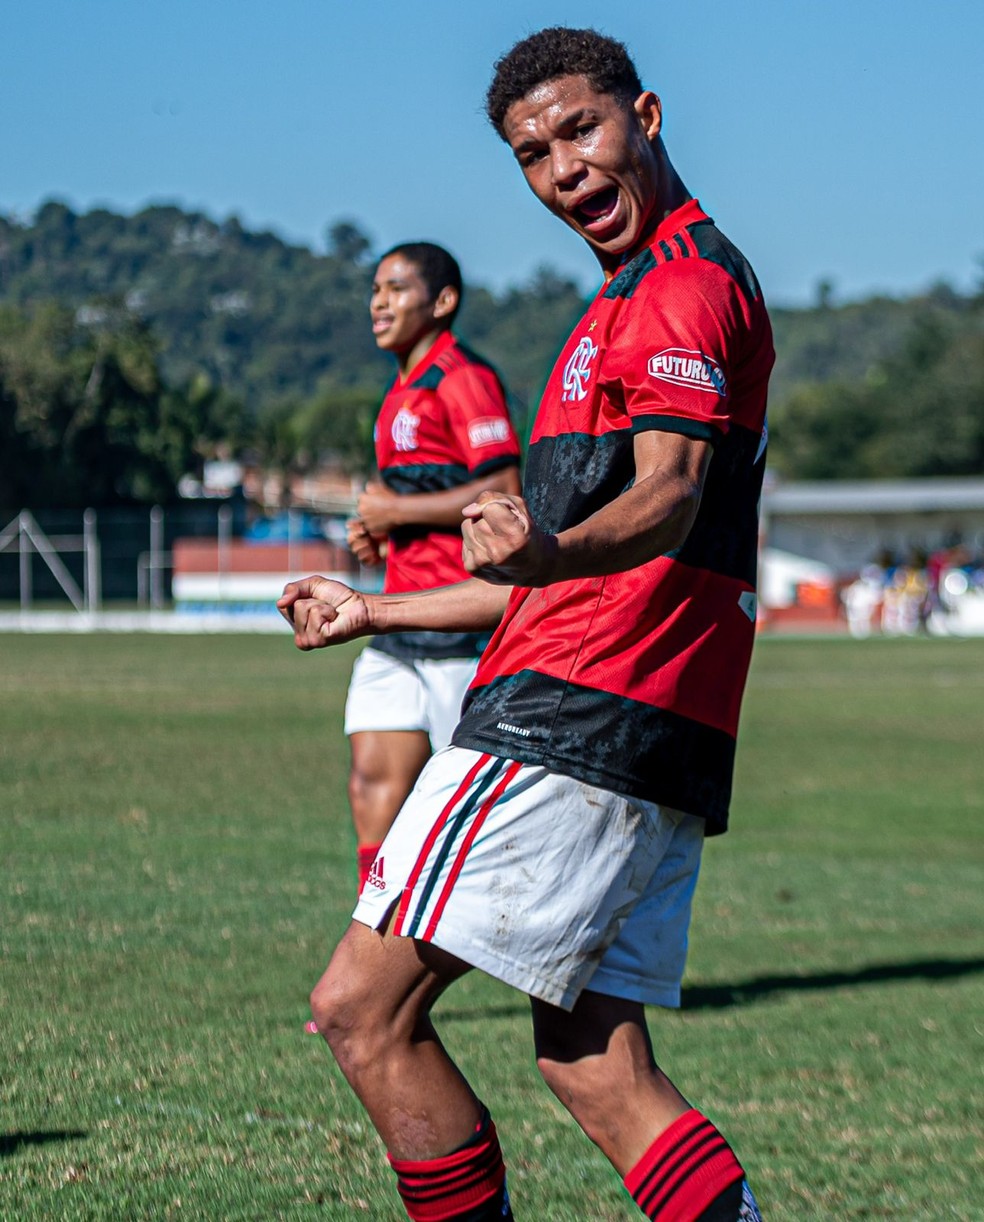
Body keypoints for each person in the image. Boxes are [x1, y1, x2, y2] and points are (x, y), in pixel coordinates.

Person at [280, 27, 773, 1221]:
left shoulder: (679, 288)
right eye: (531, 152)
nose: (562, 168)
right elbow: (540, 566)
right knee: (593, 1060)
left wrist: (549, 549)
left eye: (582, 130)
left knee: (362, 1007)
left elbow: (668, 495)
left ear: (645, 117)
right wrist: (375, 608)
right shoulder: (628, 296)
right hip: (656, 722)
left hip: (576, 709)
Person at [344, 241, 521, 889]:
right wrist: (379, 534)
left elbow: (503, 489)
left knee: (474, 820)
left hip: (461, 630)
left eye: (395, 289)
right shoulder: (398, 395)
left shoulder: (462, 378)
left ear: (442, 302)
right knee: (370, 788)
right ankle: (379, 943)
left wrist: (398, 516)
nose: (379, 302)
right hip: (395, 631)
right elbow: (413, 502)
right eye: (374, 289)